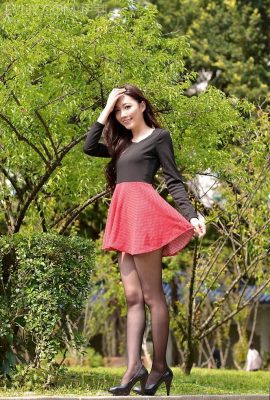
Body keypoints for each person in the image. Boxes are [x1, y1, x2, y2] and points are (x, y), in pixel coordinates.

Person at [83, 84, 206, 396]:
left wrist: (191, 215)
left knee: (153, 297)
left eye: (127, 107)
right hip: (126, 220)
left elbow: (174, 180)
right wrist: (106, 107)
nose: (123, 114)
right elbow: (88, 146)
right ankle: (133, 367)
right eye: (118, 109)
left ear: (141, 105)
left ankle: (161, 367)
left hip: (146, 218)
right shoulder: (120, 143)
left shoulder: (159, 137)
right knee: (133, 298)